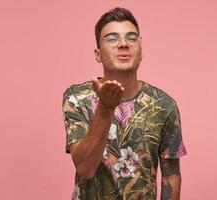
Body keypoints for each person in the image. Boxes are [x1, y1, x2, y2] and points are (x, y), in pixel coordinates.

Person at [62, 7, 187, 200]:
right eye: (111, 38)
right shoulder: (77, 98)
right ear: (97, 54)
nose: (123, 44)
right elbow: (85, 168)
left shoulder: (163, 105)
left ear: (140, 50)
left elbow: (170, 176)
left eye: (131, 37)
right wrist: (105, 107)